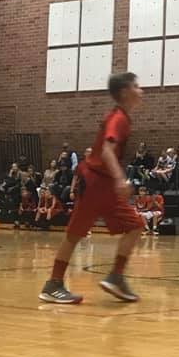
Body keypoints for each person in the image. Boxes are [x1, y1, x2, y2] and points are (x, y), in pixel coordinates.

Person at [38, 73, 146, 304]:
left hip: (104, 183)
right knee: (75, 234)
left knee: (136, 225)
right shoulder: (118, 118)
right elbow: (107, 151)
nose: (141, 90)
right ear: (125, 92)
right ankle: (53, 284)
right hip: (98, 181)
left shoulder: (123, 117)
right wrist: (120, 179)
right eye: (137, 86)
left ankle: (116, 277)